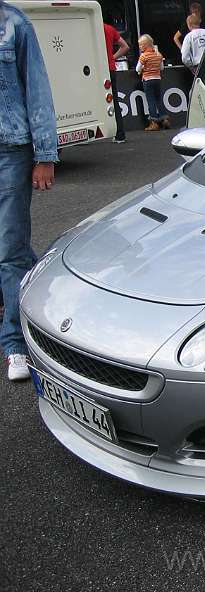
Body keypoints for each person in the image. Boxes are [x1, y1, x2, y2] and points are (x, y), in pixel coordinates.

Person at [0, 1, 57, 381]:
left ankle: (15, 342)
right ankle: (43, 290)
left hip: (10, 149)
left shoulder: (15, 24)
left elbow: (37, 89)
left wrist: (45, 155)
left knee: (9, 248)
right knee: (13, 251)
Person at [102, 14, 129, 143]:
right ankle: (120, 134)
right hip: (109, 68)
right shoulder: (109, 29)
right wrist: (112, 57)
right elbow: (125, 46)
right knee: (113, 101)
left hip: (92, 69)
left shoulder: (87, 28)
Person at [137, 35, 169, 131]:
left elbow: (137, 69)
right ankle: (165, 119)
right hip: (157, 79)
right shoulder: (158, 55)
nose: (140, 47)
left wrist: (143, 68)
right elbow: (162, 68)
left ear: (145, 45)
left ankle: (154, 123)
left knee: (151, 101)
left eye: (141, 45)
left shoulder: (143, 56)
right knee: (159, 99)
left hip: (147, 80)